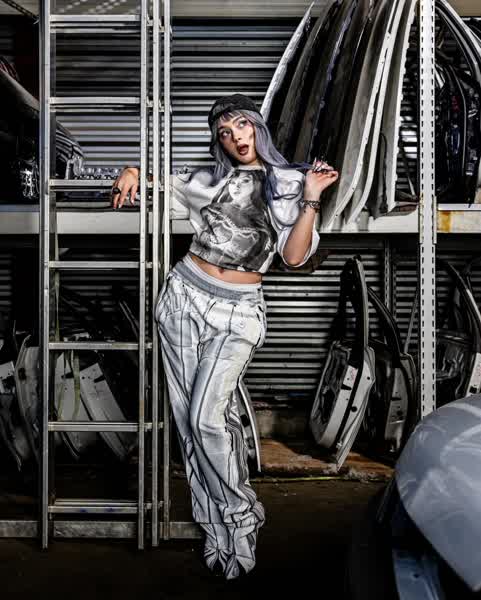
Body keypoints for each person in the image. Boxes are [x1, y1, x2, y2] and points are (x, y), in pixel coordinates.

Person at [111, 93, 339, 580]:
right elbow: (158, 182)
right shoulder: (207, 179)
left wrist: (312, 197)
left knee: (207, 419)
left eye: (242, 125)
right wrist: (133, 169)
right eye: (224, 132)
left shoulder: (290, 181)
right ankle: (215, 530)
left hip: (238, 311)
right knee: (190, 427)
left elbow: (293, 257)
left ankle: (240, 516)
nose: (236, 137)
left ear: (257, 126)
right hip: (183, 297)